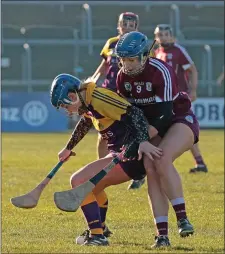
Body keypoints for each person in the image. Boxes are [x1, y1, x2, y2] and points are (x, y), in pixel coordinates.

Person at [50, 73, 163, 246]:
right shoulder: (87, 101)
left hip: (129, 157)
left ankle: (97, 236)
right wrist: (68, 148)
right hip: (118, 154)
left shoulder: (99, 98)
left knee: (79, 181)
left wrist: (137, 144)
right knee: (92, 189)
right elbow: (86, 122)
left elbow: (136, 114)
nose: (66, 110)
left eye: (65, 106)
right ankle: (99, 229)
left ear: (72, 97)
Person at [115, 31, 199, 248]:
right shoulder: (122, 78)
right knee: (150, 167)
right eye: (123, 59)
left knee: (161, 158)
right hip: (151, 126)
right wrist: (135, 140)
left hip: (177, 118)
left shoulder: (161, 70)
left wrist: (140, 140)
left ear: (144, 56)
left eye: (132, 59)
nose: (127, 65)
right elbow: (131, 115)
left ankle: (182, 218)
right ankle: (162, 235)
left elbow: (165, 115)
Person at [91, 12, 154, 190]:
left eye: (131, 24)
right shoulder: (111, 42)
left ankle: (138, 173)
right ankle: (100, 171)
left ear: (136, 27)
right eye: (123, 24)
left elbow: (147, 67)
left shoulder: (141, 44)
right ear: (118, 25)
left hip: (128, 94)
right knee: (103, 133)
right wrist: (94, 79)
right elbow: (104, 65)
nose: (127, 27)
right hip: (108, 93)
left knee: (134, 134)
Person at [153, 24, 208, 173]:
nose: (163, 37)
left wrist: (193, 90)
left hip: (179, 98)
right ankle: (199, 163)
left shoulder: (178, 51)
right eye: (160, 35)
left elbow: (192, 70)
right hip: (163, 98)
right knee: (173, 129)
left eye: (166, 34)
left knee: (184, 128)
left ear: (172, 36)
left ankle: (197, 162)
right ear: (156, 37)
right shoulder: (157, 52)